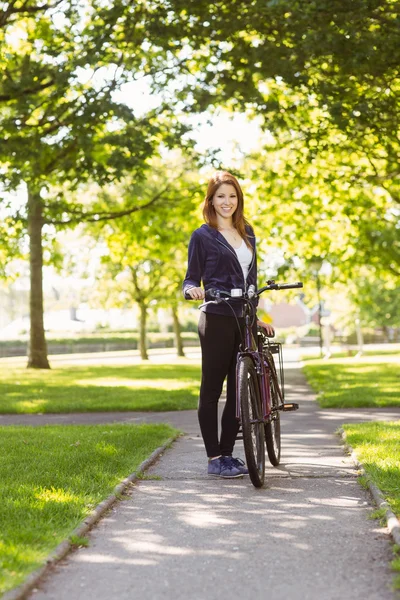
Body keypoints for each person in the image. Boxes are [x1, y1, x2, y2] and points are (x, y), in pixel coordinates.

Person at [183, 171, 274, 479]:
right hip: (217, 317)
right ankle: (213, 458)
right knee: (212, 388)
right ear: (211, 200)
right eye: (220, 196)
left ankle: (228, 455)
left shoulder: (247, 232)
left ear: (239, 200)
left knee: (239, 390)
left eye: (232, 196)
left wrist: (256, 317)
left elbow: (252, 282)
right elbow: (190, 277)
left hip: (243, 317)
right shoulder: (202, 235)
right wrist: (191, 290)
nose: (227, 202)